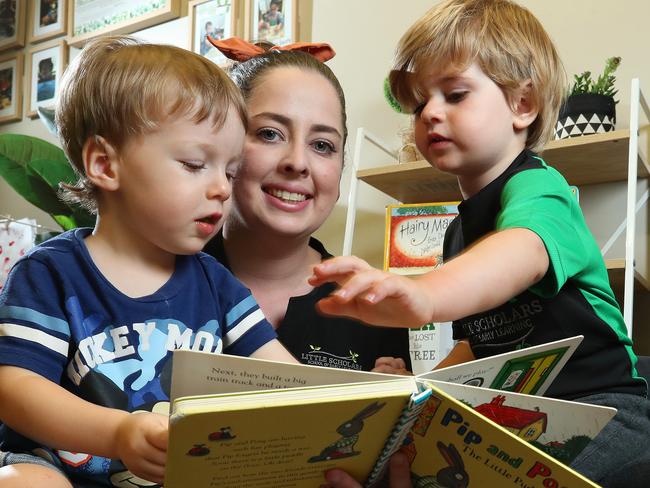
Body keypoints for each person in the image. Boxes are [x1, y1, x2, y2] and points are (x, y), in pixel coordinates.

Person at [310, 0, 650, 486]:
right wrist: (416, 387)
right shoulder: (457, 232)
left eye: (454, 93)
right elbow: (480, 343)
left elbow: (524, 250)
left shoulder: (539, 188)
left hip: (604, 409)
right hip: (521, 419)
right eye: (419, 102)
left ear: (522, 104)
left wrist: (426, 293)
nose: (429, 113)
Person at [0, 35, 297, 488]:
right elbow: (15, 388)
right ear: (105, 164)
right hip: (57, 469)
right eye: (196, 164)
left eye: (230, 171)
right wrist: (117, 434)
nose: (221, 188)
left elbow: (285, 379)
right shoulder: (51, 273)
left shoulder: (215, 284)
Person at [204, 37, 412, 373]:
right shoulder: (151, 280)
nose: (298, 162)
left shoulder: (375, 309)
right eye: (270, 134)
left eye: (322, 145)